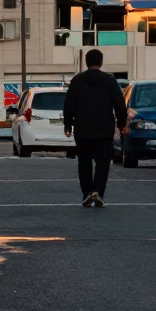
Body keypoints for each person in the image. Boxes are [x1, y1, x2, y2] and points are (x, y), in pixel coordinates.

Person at [63, 49, 127, 207]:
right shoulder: (110, 80)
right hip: (104, 129)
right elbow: (120, 104)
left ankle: (86, 193)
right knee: (103, 162)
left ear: (86, 62)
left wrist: (68, 124)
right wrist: (122, 124)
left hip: (82, 128)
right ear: (101, 62)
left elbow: (69, 104)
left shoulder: (77, 80)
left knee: (84, 161)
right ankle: (98, 192)